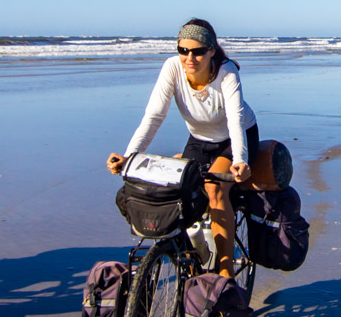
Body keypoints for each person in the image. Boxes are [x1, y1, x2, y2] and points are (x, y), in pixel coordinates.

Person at [108, 18, 255, 276]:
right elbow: (154, 116)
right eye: (183, 50)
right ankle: (192, 255)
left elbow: (235, 121)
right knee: (179, 192)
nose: (190, 58)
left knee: (214, 189)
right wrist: (129, 156)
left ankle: (225, 272)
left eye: (198, 51)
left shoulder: (227, 72)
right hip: (199, 140)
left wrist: (240, 159)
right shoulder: (172, 68)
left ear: (211, 50)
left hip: (234, 138)